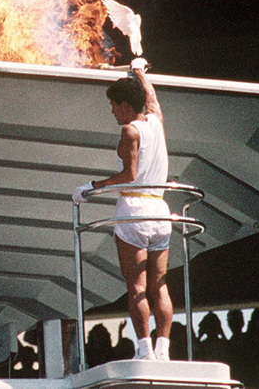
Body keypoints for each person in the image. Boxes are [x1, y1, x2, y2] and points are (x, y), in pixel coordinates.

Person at [73, 60, 172, 360]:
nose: (112, 111)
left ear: (126, 106)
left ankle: (144, 351)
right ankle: (163, 351)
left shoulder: (130, 131)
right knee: (160, 287)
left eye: (115, 105)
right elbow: (152, 96)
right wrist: (139, 71)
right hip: (161, 210)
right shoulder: (156, 120)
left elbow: (129, 176)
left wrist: (91, 186)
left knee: (137, 287)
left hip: (135, 210)